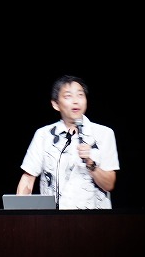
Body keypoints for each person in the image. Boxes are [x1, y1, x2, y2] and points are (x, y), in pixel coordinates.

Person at [15, 75, 118, 209]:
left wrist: (90, 163)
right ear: (55, 104)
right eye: (68, 96)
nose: (76, 101)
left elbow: (109, 185)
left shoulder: (103, 134)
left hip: (94, 221)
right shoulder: (44, 135)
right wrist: (19, 216)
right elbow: (28, 178)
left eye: (80, 95)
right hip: (53, 221)